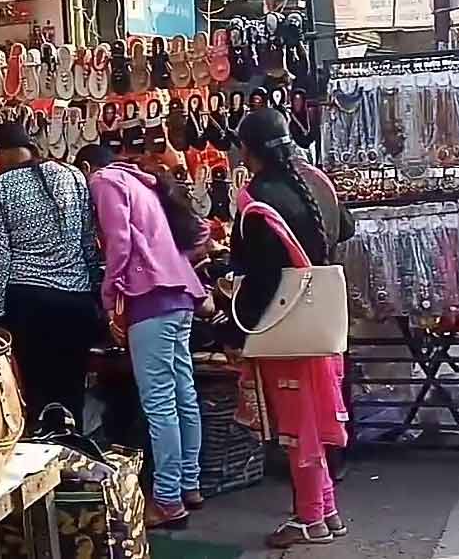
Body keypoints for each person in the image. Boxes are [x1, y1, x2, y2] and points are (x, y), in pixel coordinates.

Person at [227, 110, 348, 548]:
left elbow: (261, 277)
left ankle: (309, 518)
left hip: (287, 324)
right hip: (324, 318)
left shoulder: (257, 197)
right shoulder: (316, 181)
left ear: (247, 150)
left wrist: (239, 329)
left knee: (298, 426)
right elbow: (346, 228)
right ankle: (327, 509)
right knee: (314, 420)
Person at [78, 146, 209, 528]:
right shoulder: (142, 183)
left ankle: (167, 499)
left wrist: (109, 295)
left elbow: (119, 242)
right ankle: (189, 483)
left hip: (150, 295)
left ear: (86, 168)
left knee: (159, 401)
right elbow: (196, 231)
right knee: (183, 392)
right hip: (180, 293)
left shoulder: (104, 181)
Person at [0, 122, 102, 423]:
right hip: (76, 302)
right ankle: (73, 453)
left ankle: (42, 456)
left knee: (36, 393)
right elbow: (89, 243)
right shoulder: (73, 175)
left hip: (28, 303)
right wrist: (97, 292)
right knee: (72, 388)